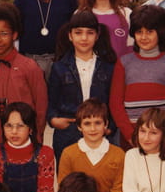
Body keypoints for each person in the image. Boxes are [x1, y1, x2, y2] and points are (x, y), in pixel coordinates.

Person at [57, 98, 128, 192]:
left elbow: (119, 188)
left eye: (98, 123)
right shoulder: (69, 153)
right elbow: (64, 188)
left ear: (106, 125)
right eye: (87, 123)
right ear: (79, 126)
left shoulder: (118, 154)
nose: (93, 128)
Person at [48, 10, 117, 163]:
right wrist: (53, 120)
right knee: (69, 175)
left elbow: (114, 100)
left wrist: (110, 127)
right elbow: (51, 101)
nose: (84, 38)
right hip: (68, 133)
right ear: (70, 35)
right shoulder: (59, 67)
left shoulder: (108, 66)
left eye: (90, 33)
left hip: (99, 131)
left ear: (97, 35)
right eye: (78, 33)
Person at [0, 2, 48, 149]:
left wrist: (37, 138)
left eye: (4, 34)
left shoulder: (29, 67)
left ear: (14, 35)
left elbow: (41, 108)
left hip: (25, 144)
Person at [109, 4, 165, 149]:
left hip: (163, 140)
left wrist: (163, 134)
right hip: (131, 139)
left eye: (149, 31)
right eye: (139, 32)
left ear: (160, 32)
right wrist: (130, 135)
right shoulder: (124, 63)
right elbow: (115, 104)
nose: (144, 37)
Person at [13, 0, 78, 80]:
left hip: (62, 62)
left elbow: (76, 31)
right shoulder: (21, 1)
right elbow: (15, 35)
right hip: (30, 61)